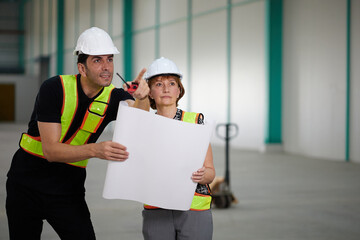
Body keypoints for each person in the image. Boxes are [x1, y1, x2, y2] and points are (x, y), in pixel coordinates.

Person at [5, 27, 149, 240]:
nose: (106, 67)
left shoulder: (114, 96)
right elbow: (51, 151)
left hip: (68, 190)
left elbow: (140, 121)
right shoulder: (54, 88)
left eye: (109, 59)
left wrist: (142, 97)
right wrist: (96, 150)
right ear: (82, 68)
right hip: (26, 185)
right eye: (97, 60)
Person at [142, 57, 215, 240]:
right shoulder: (142, 125)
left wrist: (203, 175)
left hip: (194, 208)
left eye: (172, 83)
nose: (166, 89)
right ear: (150, 92)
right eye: (158, 84)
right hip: (157, 209)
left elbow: (211, 172)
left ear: (179, 90)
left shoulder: (195, 122)